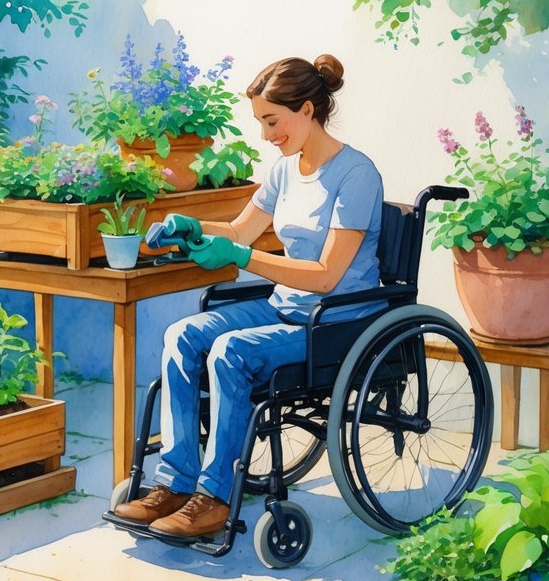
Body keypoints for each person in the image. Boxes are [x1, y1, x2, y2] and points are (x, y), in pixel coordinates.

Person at [113, 54, 385, 539]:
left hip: (337, 323)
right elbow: (242, 229)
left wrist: (240, 256)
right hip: (286, 308)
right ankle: (175, 484)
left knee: (230, 352)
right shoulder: (284, 171)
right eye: (261, 122)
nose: (266, 134)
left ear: (307, 109)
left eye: (272, 121)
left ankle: (214, 498)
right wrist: (192, 228)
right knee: (182, 336)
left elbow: (325, 276)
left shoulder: (356, 175)